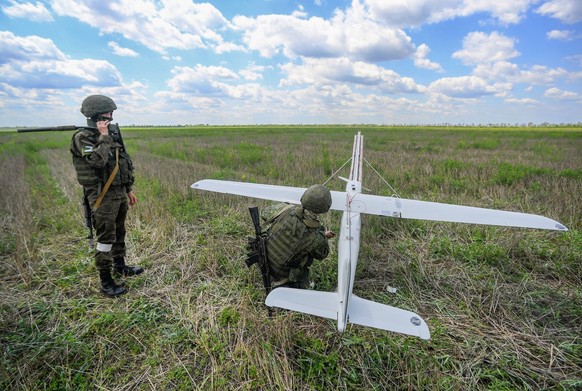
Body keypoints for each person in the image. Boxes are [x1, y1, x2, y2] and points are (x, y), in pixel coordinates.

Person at [70, 95, 143, 297]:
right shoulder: (82, 137)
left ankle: (120, 266)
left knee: (120, 232)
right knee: (105, 238)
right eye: (107, 114)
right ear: (95, 115)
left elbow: (123, 163)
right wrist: (103, 137)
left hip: (119, 192)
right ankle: (106, 280)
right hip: (102, 195)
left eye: (111, 114)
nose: (111, 117)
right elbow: (97, 162)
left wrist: (128, 188)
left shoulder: (112, 134)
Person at [260, 184, 335, 289]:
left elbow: (264, 213)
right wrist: (322, 237)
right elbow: (322, 254)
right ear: (324, 208)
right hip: (281, 275)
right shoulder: (315, 236)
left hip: (263, 260)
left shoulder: (285, 209)